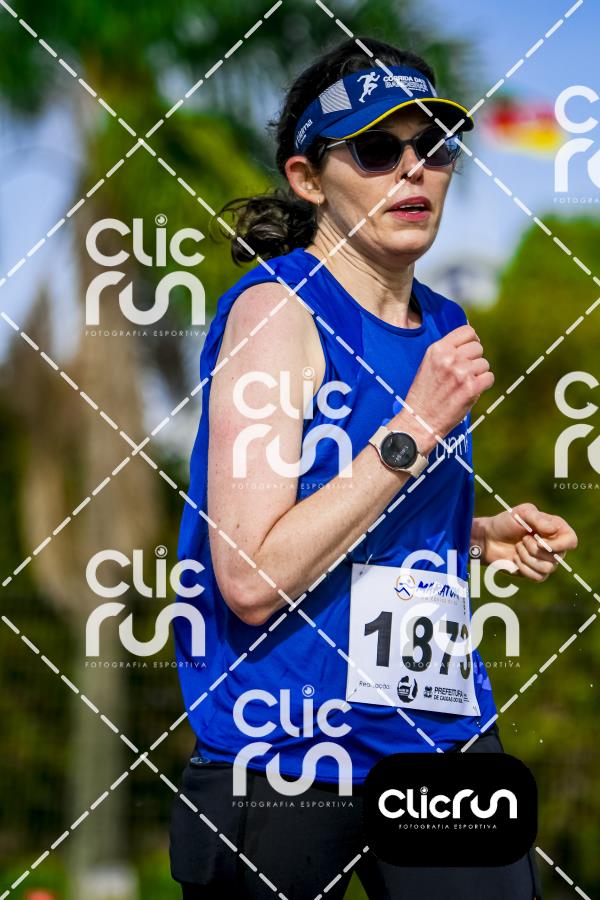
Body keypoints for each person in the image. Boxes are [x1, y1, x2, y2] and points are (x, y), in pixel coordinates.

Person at [169, 36, 577, 900]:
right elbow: (249, 577)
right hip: (287, 755)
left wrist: (472, 536)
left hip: (439, 738)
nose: (414, 169)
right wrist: (416, 426)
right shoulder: (276, 313)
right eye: (376, 149)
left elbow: (349, 518)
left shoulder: (444, 322)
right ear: (308, 178)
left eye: (434, 145)